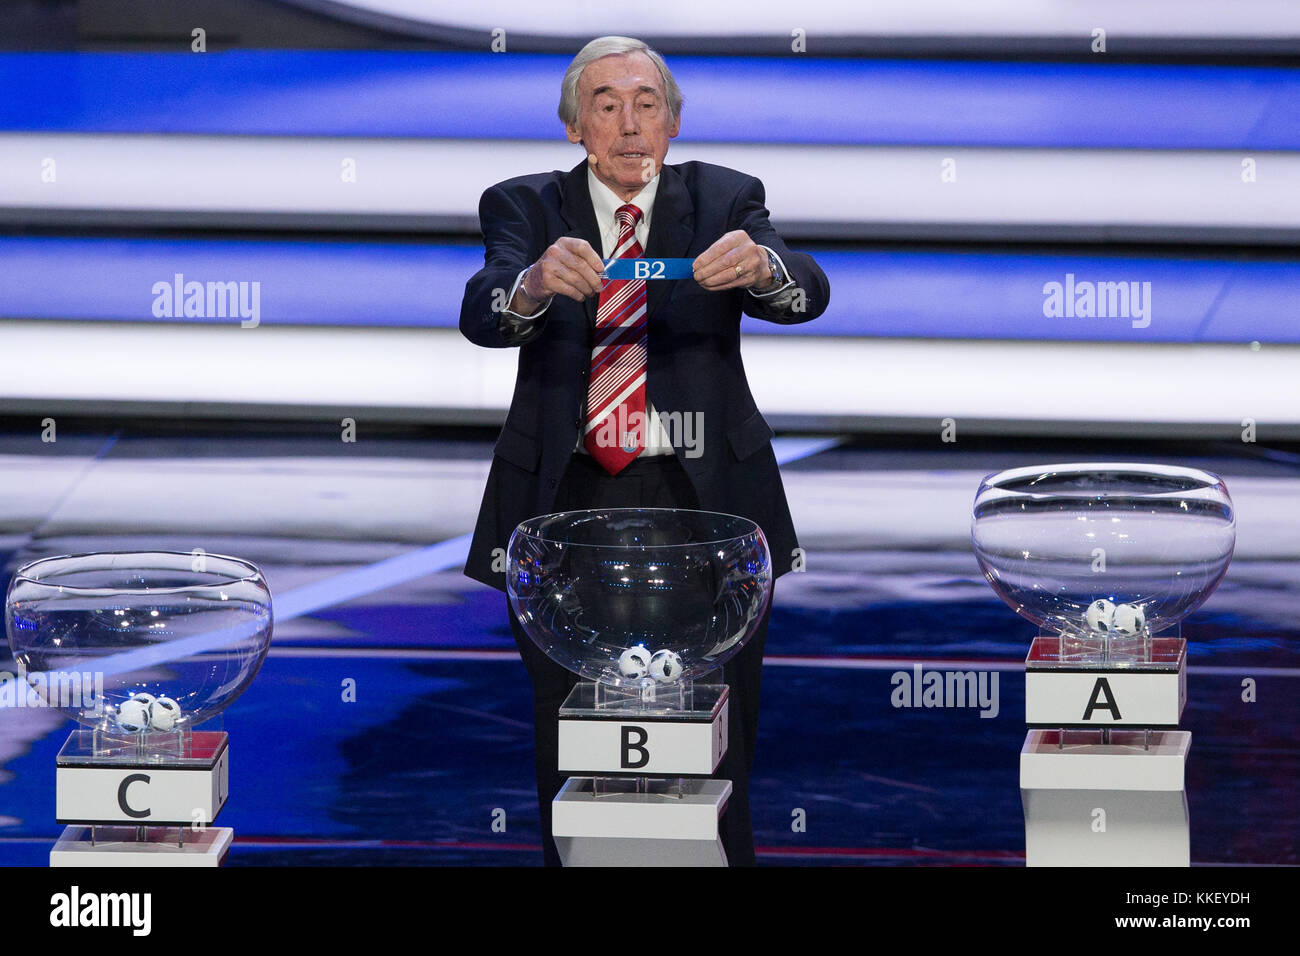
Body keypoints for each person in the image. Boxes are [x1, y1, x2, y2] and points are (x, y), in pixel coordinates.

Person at [460, 35, 829, 866]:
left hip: (706, 504)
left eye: (647, 103)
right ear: (573, 128)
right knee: (568, 732)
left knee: (720, 732)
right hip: (567, 503)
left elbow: (807, 289)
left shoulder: (726, 197)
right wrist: (530, 285)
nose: (629, 124)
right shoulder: (524, 206)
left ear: (672, 123)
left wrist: (764, 268)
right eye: (606, 104)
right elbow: (483, 309)